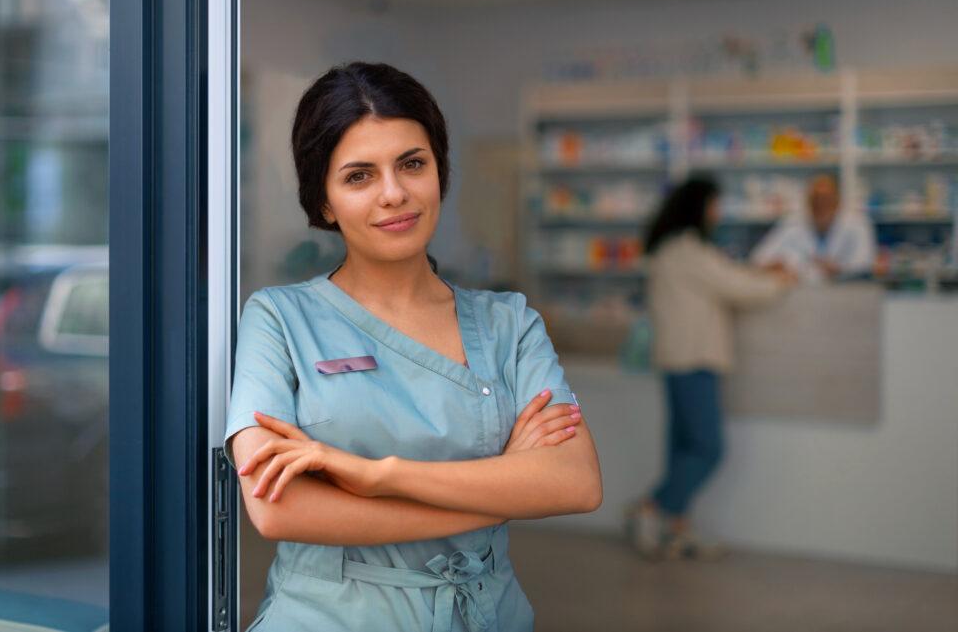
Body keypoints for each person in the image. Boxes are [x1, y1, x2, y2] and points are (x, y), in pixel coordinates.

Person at [225, 62, 603, 632]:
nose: (394, 194)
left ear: (439, 172)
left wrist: (376, 475)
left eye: (412, 164)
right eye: (358, 176)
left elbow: (575, 484)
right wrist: (507, 484)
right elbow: (279, 509)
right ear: (323, 201)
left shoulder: (509, 323)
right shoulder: (279, 319)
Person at [623, 176, 794, 560]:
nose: (717, 214)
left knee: (683, 447)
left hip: (675, 359)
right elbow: (736, 287)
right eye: (715, 205)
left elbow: (724, 277)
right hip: (694, 359)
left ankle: (677, 527)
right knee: (708, 448)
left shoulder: (671, 249)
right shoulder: (688, 249)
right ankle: (649, 508)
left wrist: (761, 272)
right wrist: (781, 281)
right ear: (698, 207)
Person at [751, 174, 875, 283]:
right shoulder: (793, 222)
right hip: (803, 293)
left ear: (837, 200)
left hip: (847, 292)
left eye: (826, 199)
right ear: (808, 201)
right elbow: (759, 257)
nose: (821, 204)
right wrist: (777, 265)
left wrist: (837, 268)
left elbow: (864, 262)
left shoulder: (857, 222)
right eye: (816, 199)